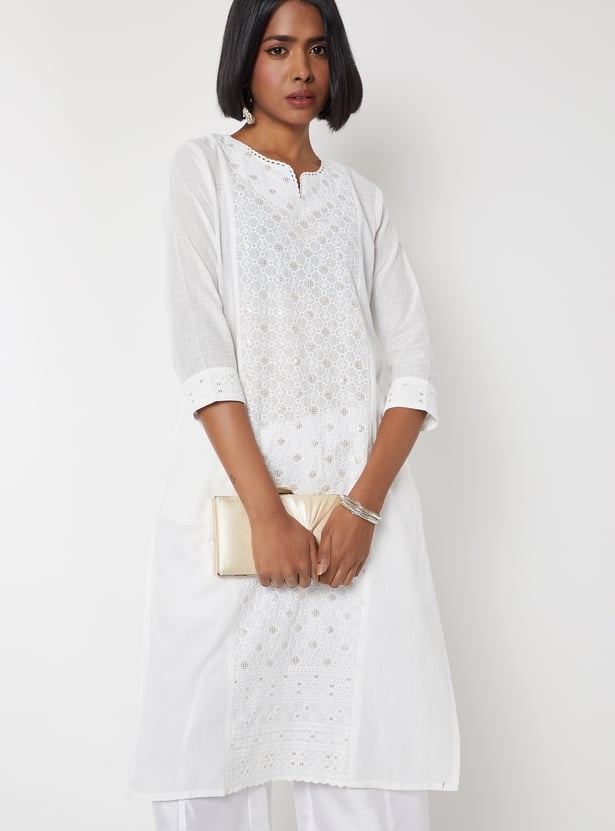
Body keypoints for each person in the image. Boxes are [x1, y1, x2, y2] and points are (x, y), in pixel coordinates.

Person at [129, 0, 460, 828]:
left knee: (368, 772)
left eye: (316, 49)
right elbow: (204, 356)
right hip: (232, 520)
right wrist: (267, 514)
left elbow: (413, 372)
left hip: (353, 540)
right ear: (245, 59)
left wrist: (360, 510)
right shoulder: (204, 171)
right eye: (278, 49)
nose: (302, 70)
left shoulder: (361, 201)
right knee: (207, 772)